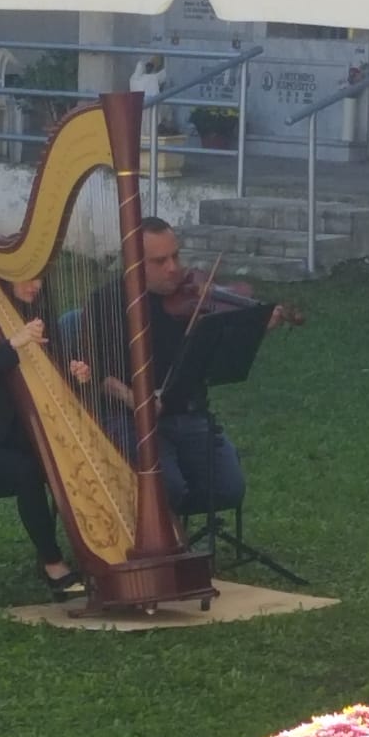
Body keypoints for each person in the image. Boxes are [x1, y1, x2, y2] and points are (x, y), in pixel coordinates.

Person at [83, 217, 248, 517]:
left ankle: (163, 524)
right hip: (134, 421)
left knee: (229, 489)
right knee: (167, 488)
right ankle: (159, 528)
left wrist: (250, 324)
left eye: (175, 256)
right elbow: (98, 371)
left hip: (189, 413)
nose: (173, 268)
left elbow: (217, 359)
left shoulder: (192, 298)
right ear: (133, 264)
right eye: (160, 261)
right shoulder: (107, 302)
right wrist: (135, 399)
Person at [0, 278, 91, 601]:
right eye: (28, 277)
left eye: (41, 277)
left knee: (68, 459)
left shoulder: (40, 312)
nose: (36, 285)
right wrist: (13, 345)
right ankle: (52, 563)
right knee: (27, 471)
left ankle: (97, 550)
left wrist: (75, 375)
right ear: (7, 275)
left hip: (23, 437)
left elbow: (52, 376)